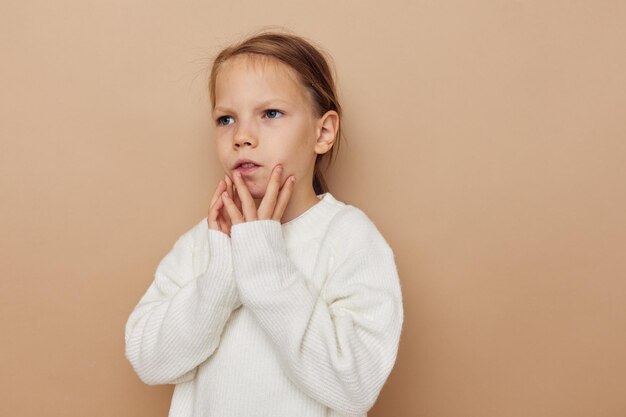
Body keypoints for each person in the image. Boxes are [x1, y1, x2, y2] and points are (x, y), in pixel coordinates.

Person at [124, 31, 404, 417]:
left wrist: (264, 263)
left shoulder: (349, 238)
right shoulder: (205, 241)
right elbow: (150, 362)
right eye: (226, 119)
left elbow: (354, 386)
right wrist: (222, 276)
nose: (241, 136)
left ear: (322, 132)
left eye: (270, 114)